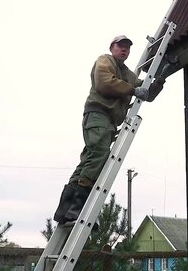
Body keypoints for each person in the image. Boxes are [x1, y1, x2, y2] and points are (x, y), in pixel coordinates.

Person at [53, 35, 165, 224]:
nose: (124, 50)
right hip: (98, 115)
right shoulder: (105, 60)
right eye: (120, 46)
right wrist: (132, 90)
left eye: (127, 48)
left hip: (108, 121)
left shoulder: (128, 75)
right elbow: (104, 82)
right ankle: (76, 209)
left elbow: (146, 92)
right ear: (112, 47)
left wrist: (160, 80)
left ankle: (65, 210)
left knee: (89, 159)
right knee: (98, 155)